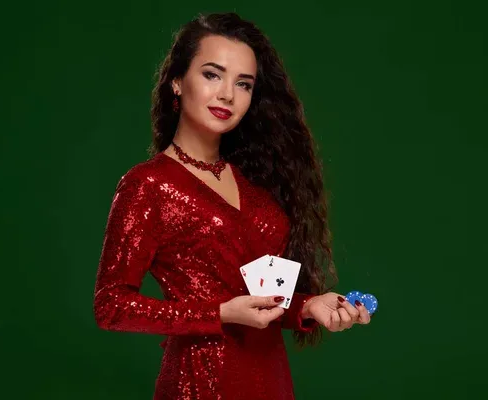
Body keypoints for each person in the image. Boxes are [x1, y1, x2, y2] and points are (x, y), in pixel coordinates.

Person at [94, 12, 371, 400]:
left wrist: (310, 306)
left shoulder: (255, 187)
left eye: (243, 83)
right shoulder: (148, 184)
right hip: (201, 383)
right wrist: (220, 313)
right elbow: (111, 306)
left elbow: (261, 298)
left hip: (270, 379)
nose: (227, 94)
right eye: (212, 74)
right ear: (177, 81)